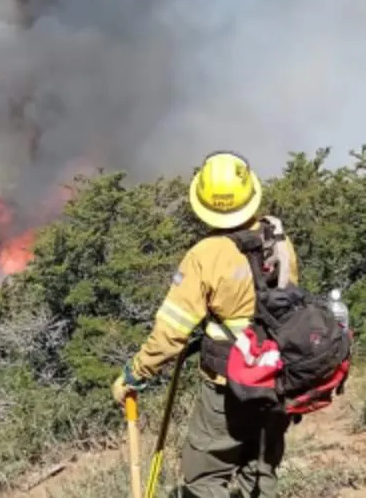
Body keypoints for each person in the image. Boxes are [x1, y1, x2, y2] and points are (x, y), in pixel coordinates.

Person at [112, 150, 299, 498]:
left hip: (226, 388)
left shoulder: (205, 256)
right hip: (278, 380)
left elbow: (170, 335)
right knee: (260, 469)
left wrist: (134, 373)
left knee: (203, 478)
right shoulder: (279, 240)